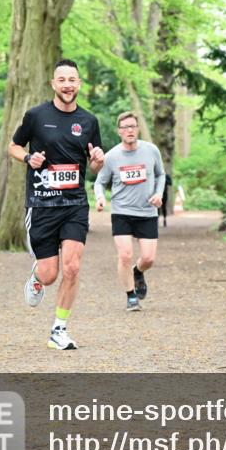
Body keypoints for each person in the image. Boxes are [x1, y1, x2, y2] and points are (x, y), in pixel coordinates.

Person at [10, 59, 104, 350]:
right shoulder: (36, 116)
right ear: (53, 84)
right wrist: (28, 158)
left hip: (74, 203)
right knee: (50, 274)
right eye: (62, 80)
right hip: (41, 205)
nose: (67, 85)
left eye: (72, 80)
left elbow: (94, 165)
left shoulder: (89, 121)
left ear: (79, 84)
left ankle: (59, 330)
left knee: (72, 267)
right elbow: (13, 145)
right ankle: (38, 276)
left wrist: (98, 164)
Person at [93, 112, 165, 312]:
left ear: (138, 129)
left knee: (148, 259)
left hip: (147, 212)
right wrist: (100, 198)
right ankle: (131, 296)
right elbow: (99, 182)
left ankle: (137, 271)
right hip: (122, 212)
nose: (129, 130)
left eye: (132, 126)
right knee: (125, 255)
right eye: (125, 127)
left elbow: (161, 174)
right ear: (119, 131)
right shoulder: (112, 156)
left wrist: (159, 194)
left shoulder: (151, 151)